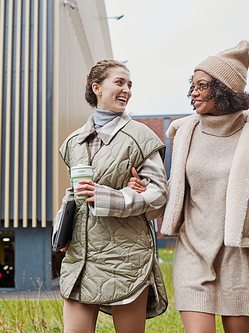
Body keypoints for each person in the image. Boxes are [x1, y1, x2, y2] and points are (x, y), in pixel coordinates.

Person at [130, 40, 249, 332]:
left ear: (223, 90)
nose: (193, 93)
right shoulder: (185, 132)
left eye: (202, 86)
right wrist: (147, 191)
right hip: (192, 256)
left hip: (238, 261)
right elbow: (177, 196)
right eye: (192, 85)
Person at [54, 59, 168, 333]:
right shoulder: (73, 142)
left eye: (129, 85)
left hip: (125, 257)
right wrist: (61, 231)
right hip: (80, 257)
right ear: (97, 88)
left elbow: (159, 193)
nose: (126, 90)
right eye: (119, 82)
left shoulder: (141, 136)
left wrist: (111, 197)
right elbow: (72, 194)